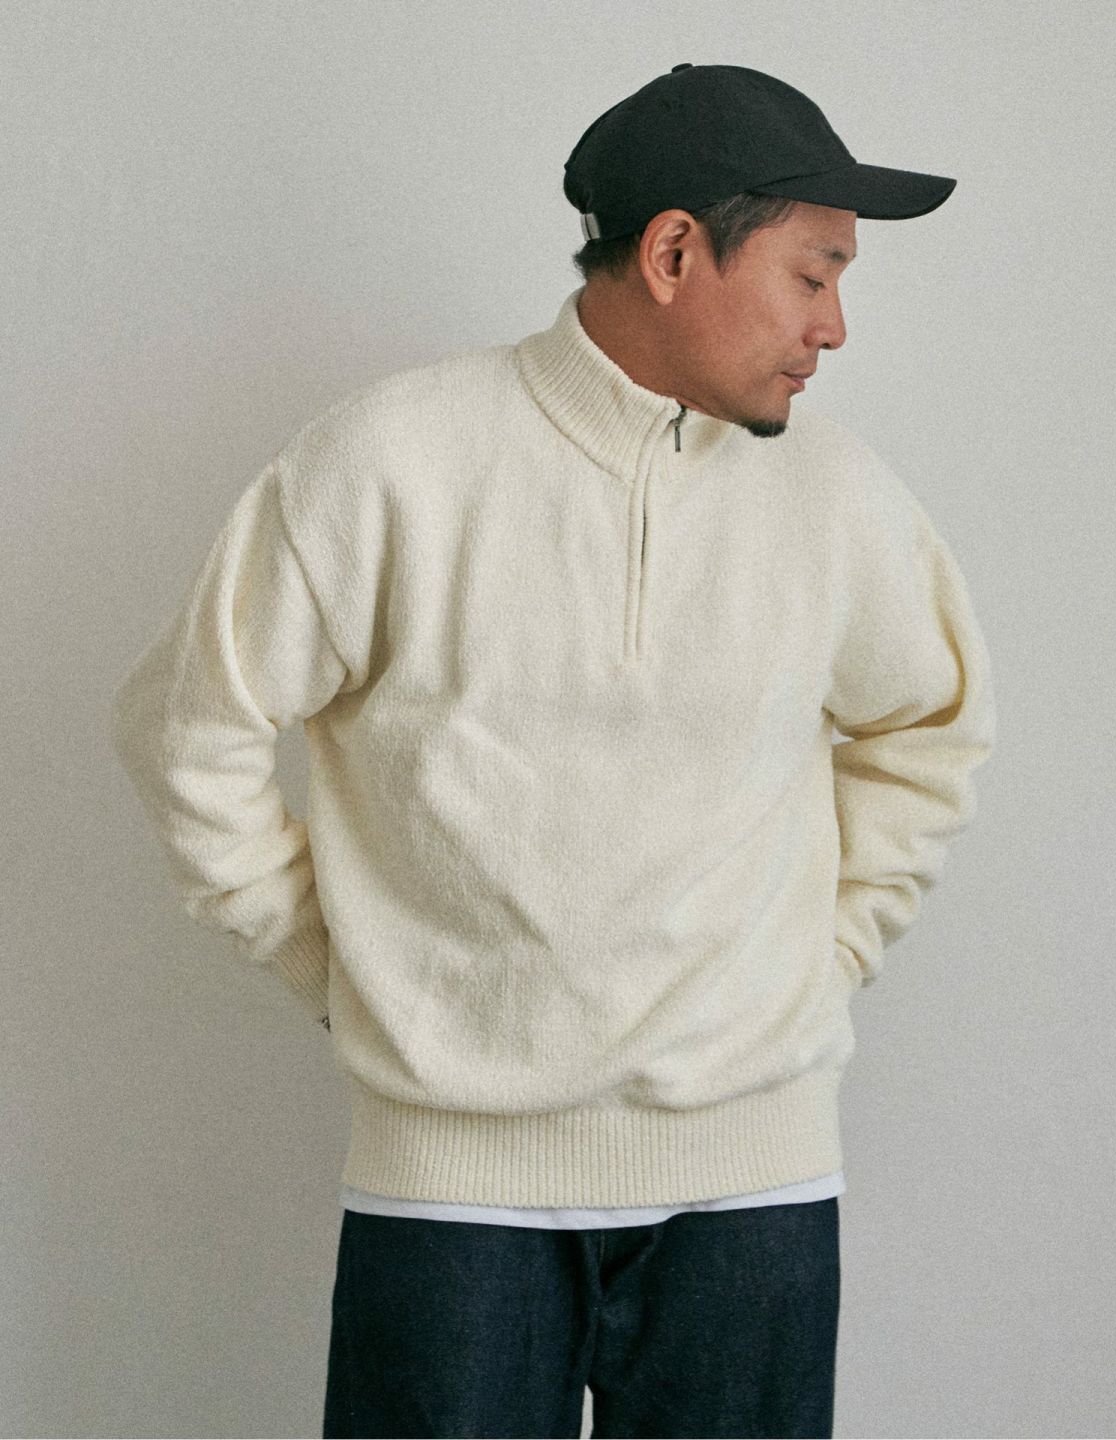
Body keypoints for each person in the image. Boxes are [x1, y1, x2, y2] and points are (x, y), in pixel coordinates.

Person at [110, 63, 996, 1440]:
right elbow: (189, 725)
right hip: (453, 1196)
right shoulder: (390, 462)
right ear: (675, 253)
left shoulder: (837, 499)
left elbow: (928, 727)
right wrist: (335, 968)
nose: (833, 326)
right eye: (813, 274)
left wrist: (825, 957)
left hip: (755, 1191)